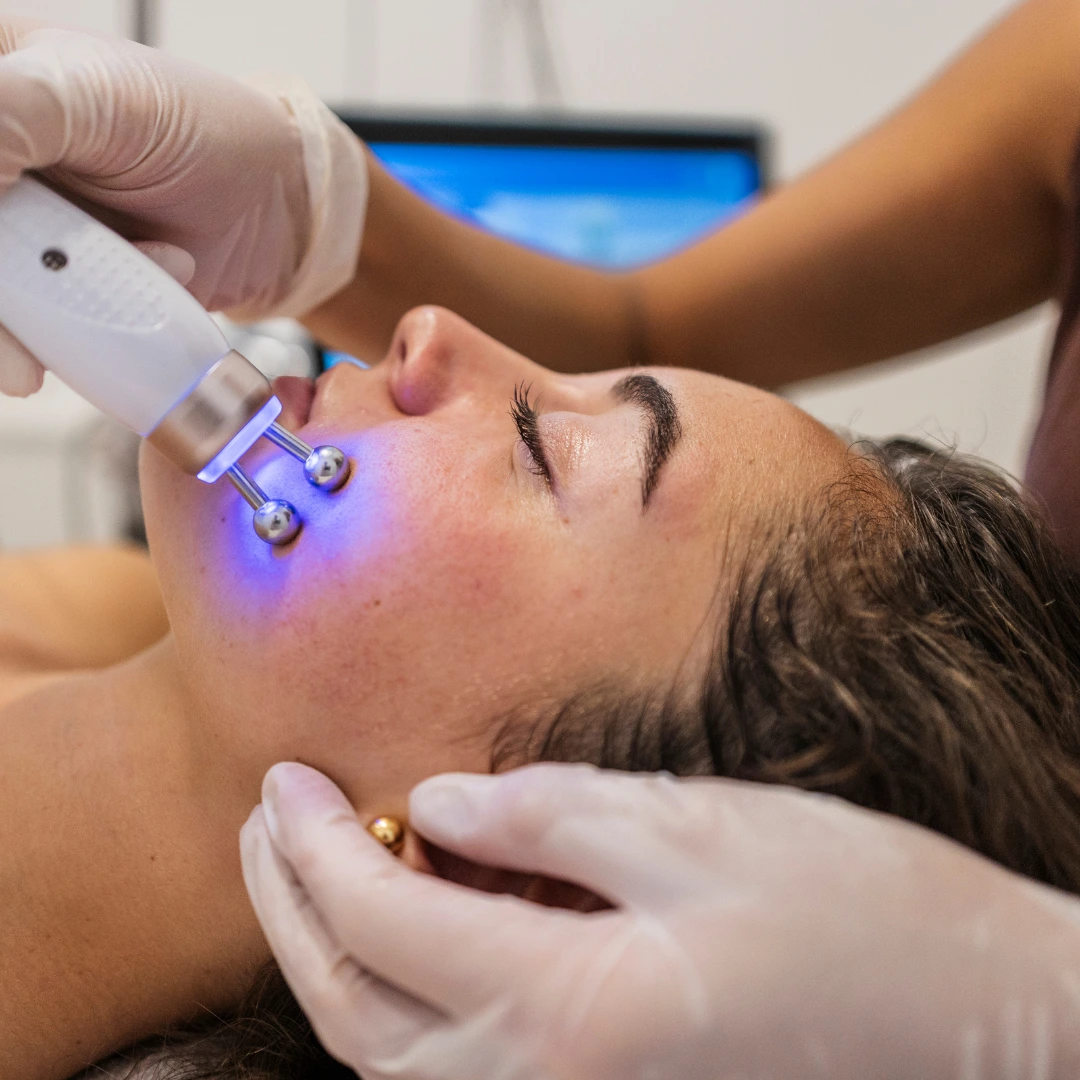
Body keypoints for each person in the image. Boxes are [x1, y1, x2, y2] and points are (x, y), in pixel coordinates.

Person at [1, 0, 1080, 1075]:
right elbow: (642, 325)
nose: (427, 329)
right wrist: (312, 206)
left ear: (502, 882)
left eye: (541, 446)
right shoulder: (107, 602)